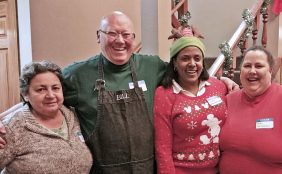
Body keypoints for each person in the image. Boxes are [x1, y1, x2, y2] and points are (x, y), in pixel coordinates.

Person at [0, 11, 238, 174]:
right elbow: (43, 92)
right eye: (112, 34)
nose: (120, 41)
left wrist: (222, 81)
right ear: (98, 37)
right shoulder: (77, 74)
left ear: (133, 40)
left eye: (126, 35)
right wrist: (4, 121)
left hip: (148, 169)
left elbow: (188, 72)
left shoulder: (152, 66)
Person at [0, 61, 92, 173]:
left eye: (55, 88)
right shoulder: (10, 128)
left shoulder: (76, 116)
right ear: (26, 95)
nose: (51, 95)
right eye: (41, 89)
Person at [219, 46, 282, 174]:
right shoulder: (228, 100)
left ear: (270, 71)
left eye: (258, 66)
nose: (252, 71)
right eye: (247, 66)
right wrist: (219, 80)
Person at [154, 36, 227, 174]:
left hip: (218, 169)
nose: (192, 63)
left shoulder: (219, 87)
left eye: (197, 58)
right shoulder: (164, 94)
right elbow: (162, 147)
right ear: (174, 62)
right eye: (185, 58)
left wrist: (228, 81)